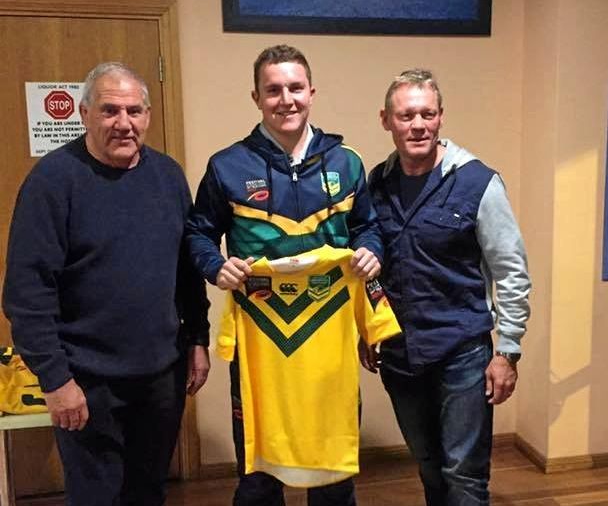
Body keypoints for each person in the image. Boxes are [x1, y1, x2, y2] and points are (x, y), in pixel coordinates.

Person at [2, 62, 211, 506]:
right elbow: (27, 293)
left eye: (134, 111)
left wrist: (197, 337)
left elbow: (187, 271)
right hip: (85, 380)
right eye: (110, 111)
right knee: (96, 497)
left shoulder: (168, 176)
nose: (124, 124)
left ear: (148, 115)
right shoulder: (53, 182)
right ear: (84, 114)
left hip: (160, 377)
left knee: (148, 493)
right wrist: (56, 380)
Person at [185, 44, 382, 506]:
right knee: (258, 473)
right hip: (263, 341)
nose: (286, 99)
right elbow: (197, 234)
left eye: (295, 88)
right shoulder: (227, 166)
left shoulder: (346, 162)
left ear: (312, 92)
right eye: (273, 90)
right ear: (256, 97)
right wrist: (217, 266)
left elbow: (368, 226)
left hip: (327, 342)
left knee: (333, 471)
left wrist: (371, 249)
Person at [360, 69, 531, 506]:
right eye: (406, 115)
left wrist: (507, 352)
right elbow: (369, 263)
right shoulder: (376, 184)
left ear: (440, 118)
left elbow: (511, 270)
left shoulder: (478, 182)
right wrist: (368, 327)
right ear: (386, 120)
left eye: (427, 114)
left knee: (465, 475)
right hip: (400, 356)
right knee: (430, 467)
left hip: (463, 355)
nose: (418, 125)